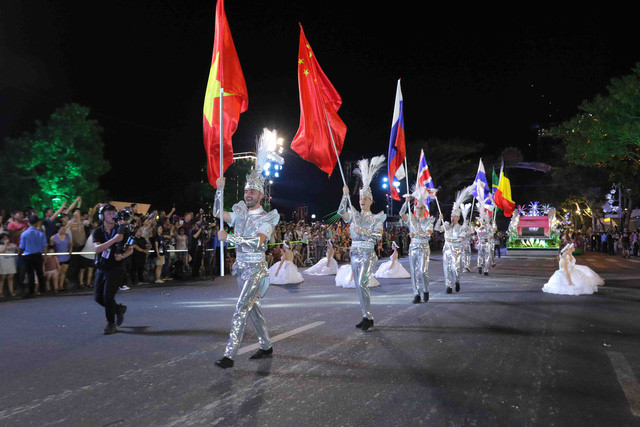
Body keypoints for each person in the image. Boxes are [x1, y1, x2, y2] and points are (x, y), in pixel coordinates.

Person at [213, 135, 281, 369]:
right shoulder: (241, 213)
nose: (248, 195)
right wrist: (219, 191)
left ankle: (229, 355)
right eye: (246, 191)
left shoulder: (267, 217)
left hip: (255, 270)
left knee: (241, 308)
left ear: (261, 195)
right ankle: (266, 345)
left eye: (252, 192)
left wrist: (230, 237)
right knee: (253, 309)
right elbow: (217, 214)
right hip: (241, 269)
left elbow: (259, 242)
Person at [338, 155, 386, 331]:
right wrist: (344, 196)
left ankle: (368, 316)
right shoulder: (355, 216)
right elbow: (341, 212)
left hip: (367, 254)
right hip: (354, 253)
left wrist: (363, 231)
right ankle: (366, 315)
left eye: (365, 199)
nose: (362, 201)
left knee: (362, 282)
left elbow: (378, 236)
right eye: (360, 198)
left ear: (371, 201)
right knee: (358, 285)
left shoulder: (376, 218)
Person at [92, 204, 133, 335]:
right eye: (108, 213)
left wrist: (123, 256)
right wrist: (114, 240)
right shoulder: (97, 231)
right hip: (102, 267)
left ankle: (111, 323)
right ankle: (118, 309)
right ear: (102, 215)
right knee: (98, 298)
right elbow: (98, 249)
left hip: (116, 268)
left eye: (113, 213)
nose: (111, 215)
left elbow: (131, 248)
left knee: (108, 296)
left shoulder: (122, 230)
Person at [399, 186, 440, 303]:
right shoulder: (411, 219)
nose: (419, 210)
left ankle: (426, 290)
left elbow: (428, 235)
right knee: (413, 272)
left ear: (425, 210)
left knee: (422, 271)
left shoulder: (429, 221)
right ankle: (416, 294)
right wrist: (406, 203)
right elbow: (401, 213)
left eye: (421, 208)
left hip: (424, 248)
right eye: (417, 208)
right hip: (413, 248)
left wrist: (415, 235)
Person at [436, 185, 474, 294]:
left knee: (455, 268)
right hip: (446, 249)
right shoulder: (446, 224)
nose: (452, 218)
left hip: (456, 250)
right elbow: (437, 229)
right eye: (452, 216)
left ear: (458, 217)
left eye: (454, 216)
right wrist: (440, 220)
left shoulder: (461, 227)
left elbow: (461, 238)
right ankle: (448, 286)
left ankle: (457, 280)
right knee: (446, 268)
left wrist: (452, 240)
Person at [18, 214, 48, 298]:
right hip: (38, 255)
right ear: (37, 223)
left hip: (28, 256)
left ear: (29, 223)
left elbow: (22, 247)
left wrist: (19, 254)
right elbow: (44, 245)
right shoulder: (40, 234)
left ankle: (31, 291)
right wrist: (45, 255)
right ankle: (42, 289)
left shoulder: (24, 234)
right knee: (40, 273)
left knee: (30, 273)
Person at [475, 200, 497, 276]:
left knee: (485, 257)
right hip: (482, 244)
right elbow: (493, 231)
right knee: (483, 256)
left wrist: (493, 225)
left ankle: (483, 268)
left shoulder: (482, 228)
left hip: (486, 244)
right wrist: (493, 225)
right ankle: (482, 267)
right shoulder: (481, 228)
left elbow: (493, 232)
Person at [51, 223, 72, 292]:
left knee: (63, 272)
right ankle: (56, 287)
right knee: (58, 272)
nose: (64, 230)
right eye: (62, 229)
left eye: (64, 229)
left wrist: (70, 249)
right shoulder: (53, 237)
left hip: (66, 257)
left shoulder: (67, 236)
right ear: (58, 230)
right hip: (57, 257)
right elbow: (51, 248)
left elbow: (70, 244)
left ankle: (61, 285)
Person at [0, 232, 17, 297]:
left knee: (11, 277)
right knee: (2, 278)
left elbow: (17, 250)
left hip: (11, 261)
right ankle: (0, 293)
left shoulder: (12, 245)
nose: (6, 239)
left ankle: (11, 292)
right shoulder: (1, 246)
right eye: (4, 239)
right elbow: (2, 251)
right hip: (3, 262)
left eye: (7, 238)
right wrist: (6, 245)